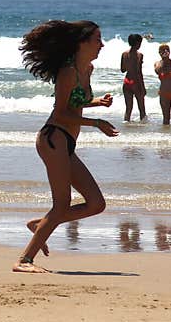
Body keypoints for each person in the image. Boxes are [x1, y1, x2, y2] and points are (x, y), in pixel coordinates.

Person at [15, 20, 119, 273]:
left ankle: (42, 224)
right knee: (61, 204)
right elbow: (61, 113)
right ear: (82, 42)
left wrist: (97, 102)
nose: (101, 44)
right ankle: (23, 261)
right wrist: (96, 123)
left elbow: (77, 102)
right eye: (97, 39)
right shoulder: (67, 71)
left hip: (67, 142)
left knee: (96, 203)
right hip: (54, 138)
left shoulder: (87, 69)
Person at [120, 34, 148, 122]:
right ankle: (144, 127)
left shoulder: (124, 54)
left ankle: (126, 125)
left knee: (128, 108)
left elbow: (123, 69)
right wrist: (143, 87)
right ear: (137, 43)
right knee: (141, 108)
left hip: (127, 81)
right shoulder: (139, 55)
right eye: (140, 43)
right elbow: (138, 72)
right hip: (136, 82)